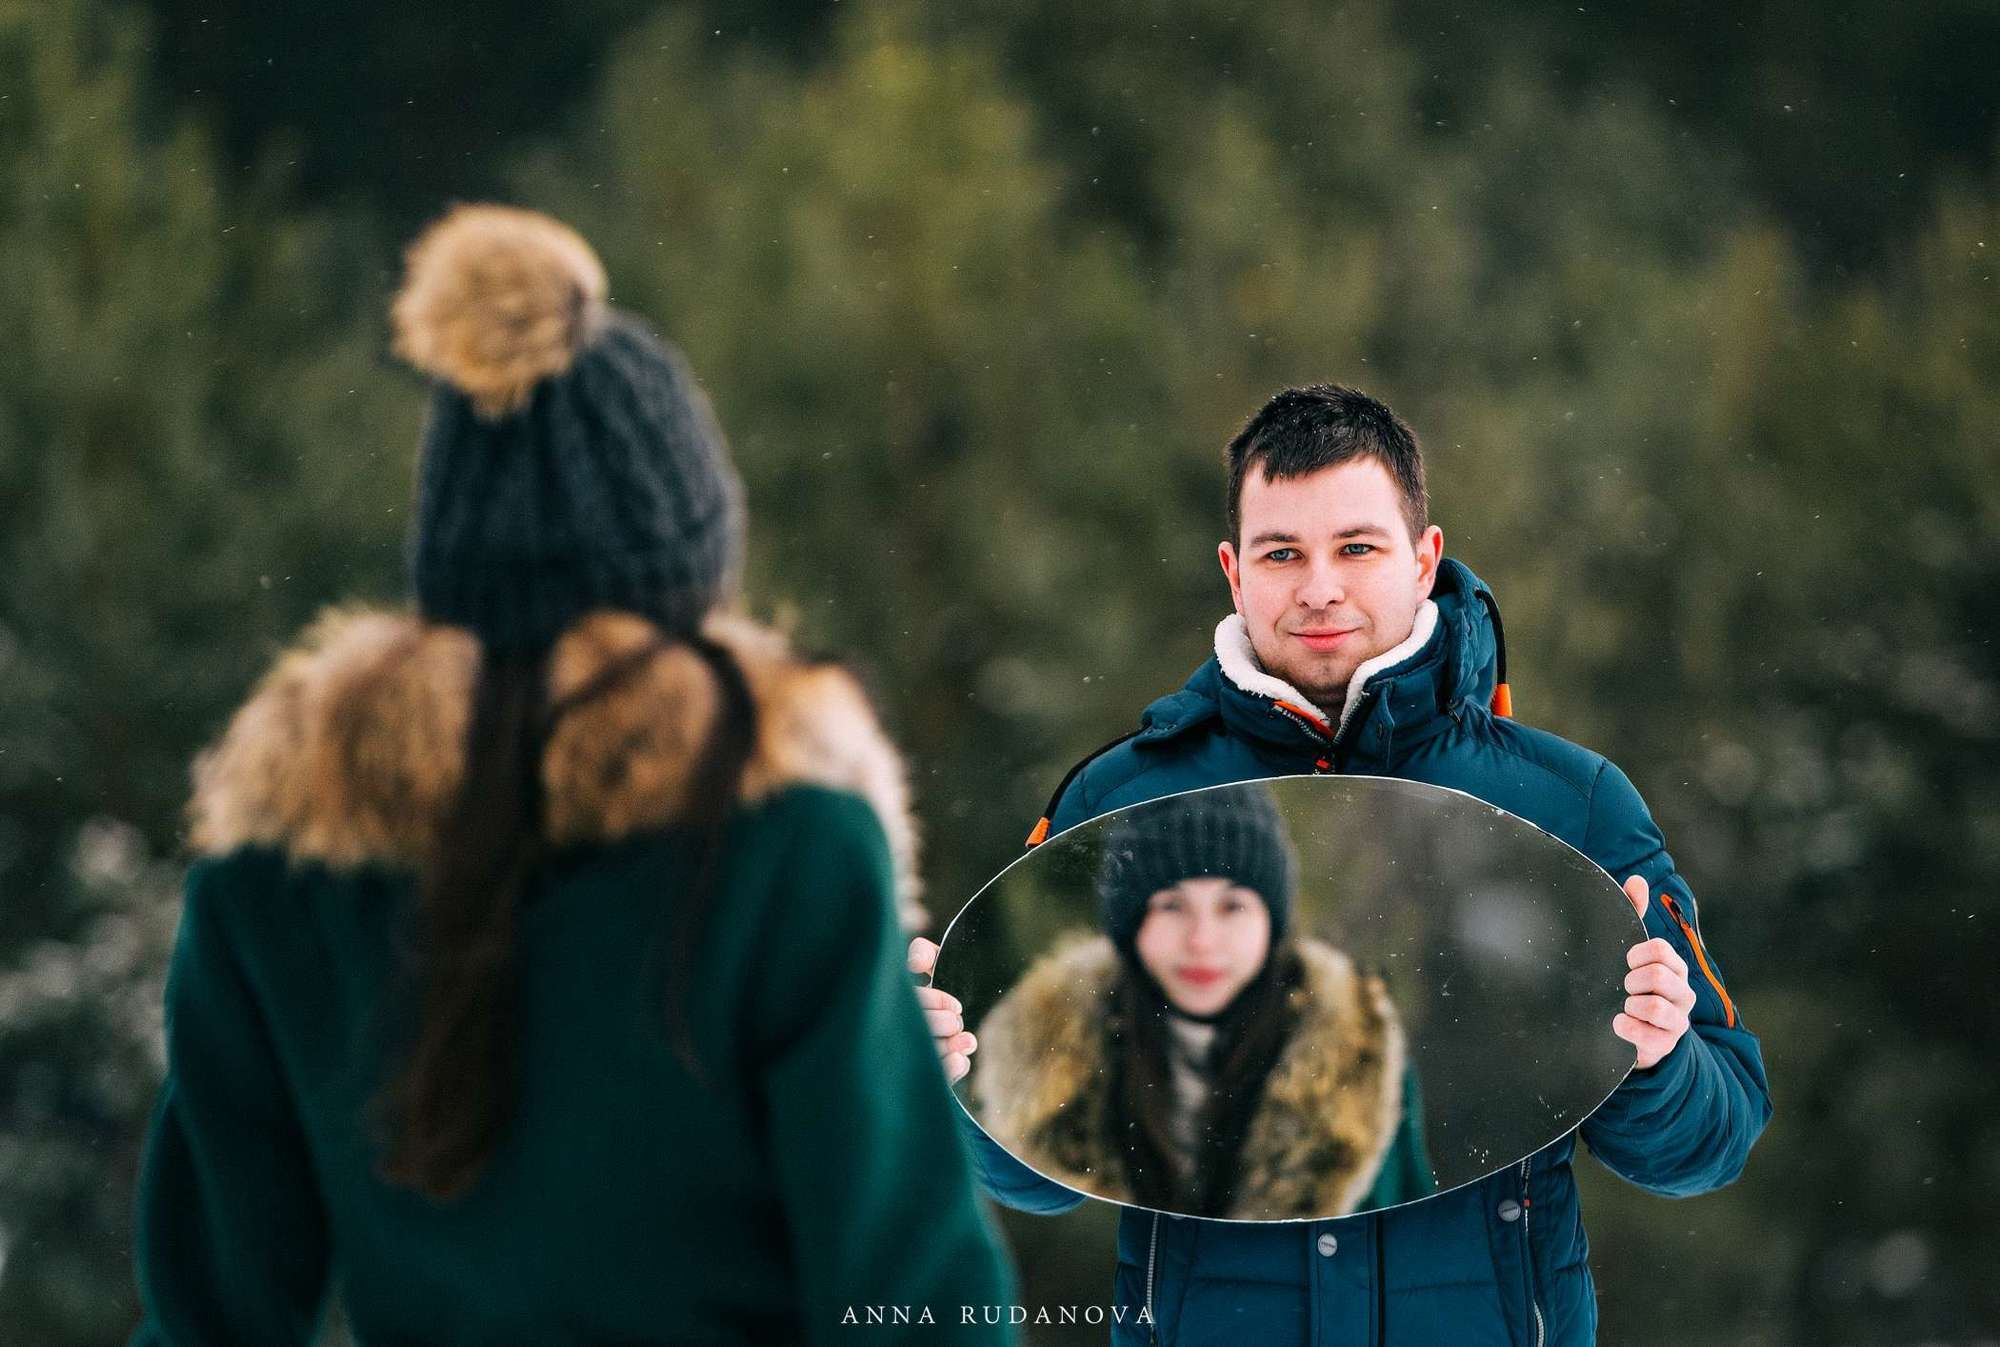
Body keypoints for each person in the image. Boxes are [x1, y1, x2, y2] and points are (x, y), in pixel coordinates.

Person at [129, 204, 1015, 1345]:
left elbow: (211, 1318)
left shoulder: (282, 871)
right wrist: (880, 1076)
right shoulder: (784, 846)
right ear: (692, 577)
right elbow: (915, 1308)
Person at [913, 384, 1771, 1346]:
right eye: (1284, 553)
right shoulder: (1119, 808)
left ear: (1423, 557)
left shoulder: (1570, 805)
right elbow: (1037, 1176)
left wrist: (1657, 1059)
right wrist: (959, 1077)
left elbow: (1714, 1138)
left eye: (1356, 547)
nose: (1319, 587)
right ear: (1236, 573)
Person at [970, 785, 1435, 1220]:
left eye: (1232, 906)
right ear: (1131, 926)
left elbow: (1408, 1230)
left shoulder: (1357, 1051)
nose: (1202, 941)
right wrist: (933, 1070)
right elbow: (1028, 1180)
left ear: (1270, 921)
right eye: (1172, 906)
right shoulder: (1060, 1041)